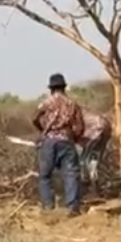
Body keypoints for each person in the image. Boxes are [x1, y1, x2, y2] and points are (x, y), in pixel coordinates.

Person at [32, 73, 85, 215]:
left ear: (51, 88)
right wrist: (74, 137)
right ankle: (73, 207)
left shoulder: (46, 103)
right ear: (64, 87)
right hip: (66, 141)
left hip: (49, 141)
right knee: (71, 174)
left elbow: (35, 118)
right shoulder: (72, 104)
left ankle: (48, 207)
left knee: (45, 175)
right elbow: (80, 126)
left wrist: (43, 129)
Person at [77, 110, 112, 191]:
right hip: (104, 127)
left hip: (93, 131)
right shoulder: (82, 114)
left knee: (84, 159)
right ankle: (94, 183)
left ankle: (86, 183)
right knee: (94, 158)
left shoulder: (75, 117)